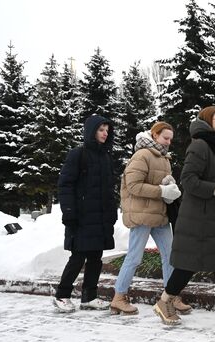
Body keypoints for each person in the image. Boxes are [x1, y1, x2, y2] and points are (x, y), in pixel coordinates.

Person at [153, 106, 215, 328]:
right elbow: (188, 179)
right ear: (207, 121)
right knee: (189, 263)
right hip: (199, 217)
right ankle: (165, 301)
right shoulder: (200, 145)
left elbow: (210, 177)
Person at [110, 121, 191, 315]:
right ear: (154, 136)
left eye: (171, 139)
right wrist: (162, 189)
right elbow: (133, 186)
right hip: (142, 215)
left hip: (159, 214)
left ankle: (170, 297)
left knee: (171, 256)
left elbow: (157, 183)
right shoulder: (142, 155)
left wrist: (169, 187)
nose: (169, 142)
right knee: (134, 257)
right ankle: (118, 297)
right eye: (165, 138)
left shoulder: (164, 157)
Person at [53, 114, 118, 313]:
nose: (105, 134)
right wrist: (69, 211)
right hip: (81, 217)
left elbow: (108, 189)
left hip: (100, 217)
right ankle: (62, 295)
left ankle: (89, 297)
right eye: (101, 130)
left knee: (96, 259)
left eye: (107, 130)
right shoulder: (77, 154)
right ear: (91, 131)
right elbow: (65, 185)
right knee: (78, 257)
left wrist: (111, 212)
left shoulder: (106, 157)